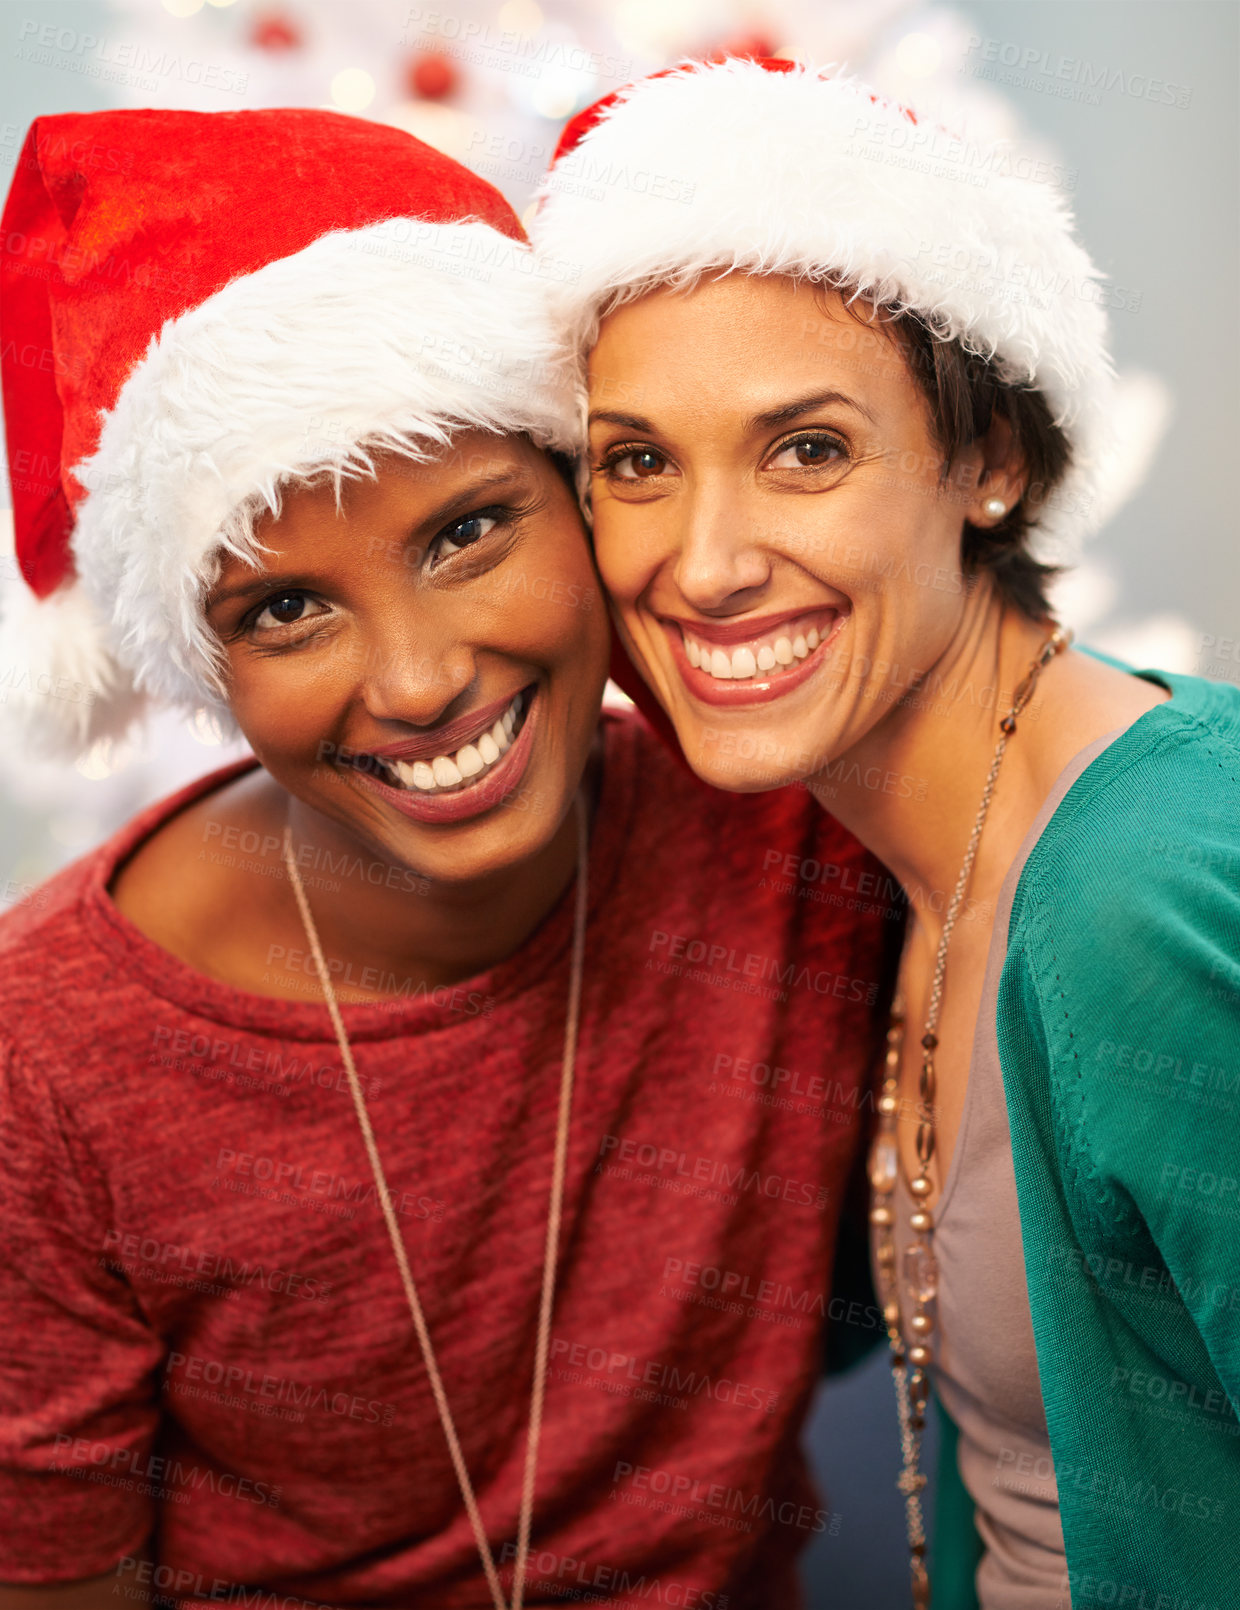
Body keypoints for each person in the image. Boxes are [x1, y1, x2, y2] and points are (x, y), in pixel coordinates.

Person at [0, 109, 893, 1607]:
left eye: (469, 531)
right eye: (286, 610)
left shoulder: (787, 808)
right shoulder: (50, 1064)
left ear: (586, 497)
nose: (415, 682)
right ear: (197, 666)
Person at [532, 55, 1240, 1610]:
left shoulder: (1144, 883)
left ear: (989, 460)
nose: (705, 563)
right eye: (637, 462)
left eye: (808, 448)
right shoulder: (878, 867)